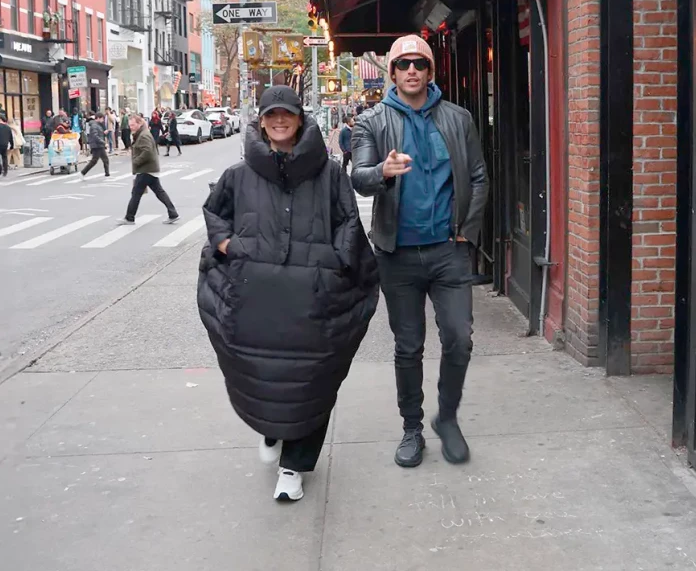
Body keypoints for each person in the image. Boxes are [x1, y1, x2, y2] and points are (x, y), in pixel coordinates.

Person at [198, 86, 379, 502]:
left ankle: (294, 466)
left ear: (300, 119)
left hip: (311, 299)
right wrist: (230, 247)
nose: (280, 121)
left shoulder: (330, 173)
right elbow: (214, 213)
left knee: (314, 380)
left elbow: (348, 222)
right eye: (271, 115)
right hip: (257, 297)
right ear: (261, 120)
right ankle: (271, 428)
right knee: (265, 374)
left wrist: (333, 266)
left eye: (288, 114)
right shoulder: (239, 175)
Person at [351, 35, 489, 469]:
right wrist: (382, 173)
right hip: (397, 254)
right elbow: (359, 175)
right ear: (392, 72)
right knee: (408, 347)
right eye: (404, 64)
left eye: (420, 64)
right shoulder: (370, 122)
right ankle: (412, 428)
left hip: (448, 251)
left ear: (430, 72)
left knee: (459, 340)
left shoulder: (458, 118)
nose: (412, 70)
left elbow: (480, 176)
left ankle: (446, 418)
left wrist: (467, 230)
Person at [118, 113, 179, 225]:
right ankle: (173, 213)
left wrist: (136, 161)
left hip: (145, 169)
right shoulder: (142, 133)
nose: (130, 127)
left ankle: (129, 217)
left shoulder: (144, 135)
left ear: (139, 123)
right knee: (159, 192)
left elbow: (148, 152)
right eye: (130, 125)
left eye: (132, 125)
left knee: (136, 193)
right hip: (149, 168)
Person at [81, 112, 110, 178]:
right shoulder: (94, 125)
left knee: (104, 159)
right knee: (94, 161)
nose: (103, 120)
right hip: (96, 145)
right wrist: (103, 142)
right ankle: (82, 172)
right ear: (98, 118)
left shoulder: (97, 125)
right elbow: (95, 136)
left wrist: (103, 133)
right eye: (102, 119)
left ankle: (107, 174)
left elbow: (98, 134)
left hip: (99, 145)